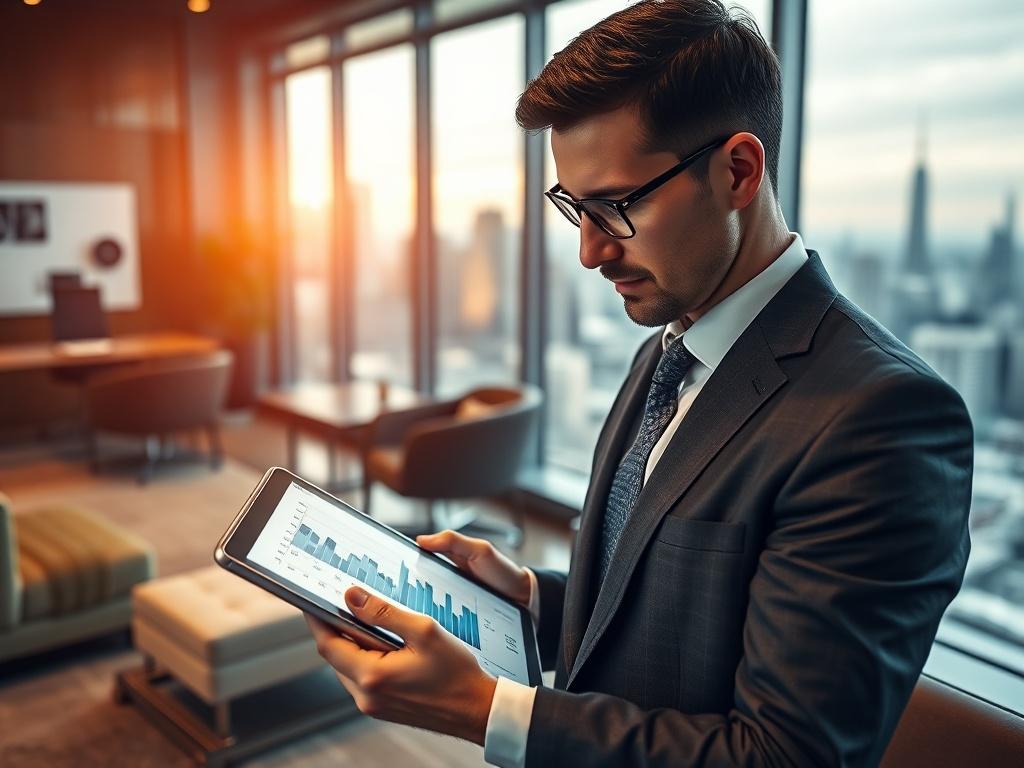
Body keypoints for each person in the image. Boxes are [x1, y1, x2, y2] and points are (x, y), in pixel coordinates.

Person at [305, 1, 974, 765]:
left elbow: (785, 756)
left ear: (738, 171)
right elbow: (662, 622)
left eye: (616, 207)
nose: (590, 252)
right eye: (573, 209)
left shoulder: (881, 418)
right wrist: (529, 599)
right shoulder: (667, 348)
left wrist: (483, 708)